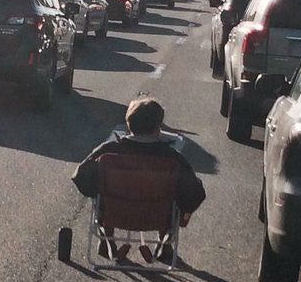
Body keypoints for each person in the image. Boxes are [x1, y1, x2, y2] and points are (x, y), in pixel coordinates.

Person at [72, 97, 206, 262]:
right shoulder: (171, 158)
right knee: (184, 192)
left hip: (113, 213)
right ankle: (164, 244)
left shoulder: (108, 152)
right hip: (157, 216)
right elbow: (194, 193)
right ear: (158, 128)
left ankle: (107, 239)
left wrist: (97, 190)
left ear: (129, 124)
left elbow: (80, 177)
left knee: (101, 192)